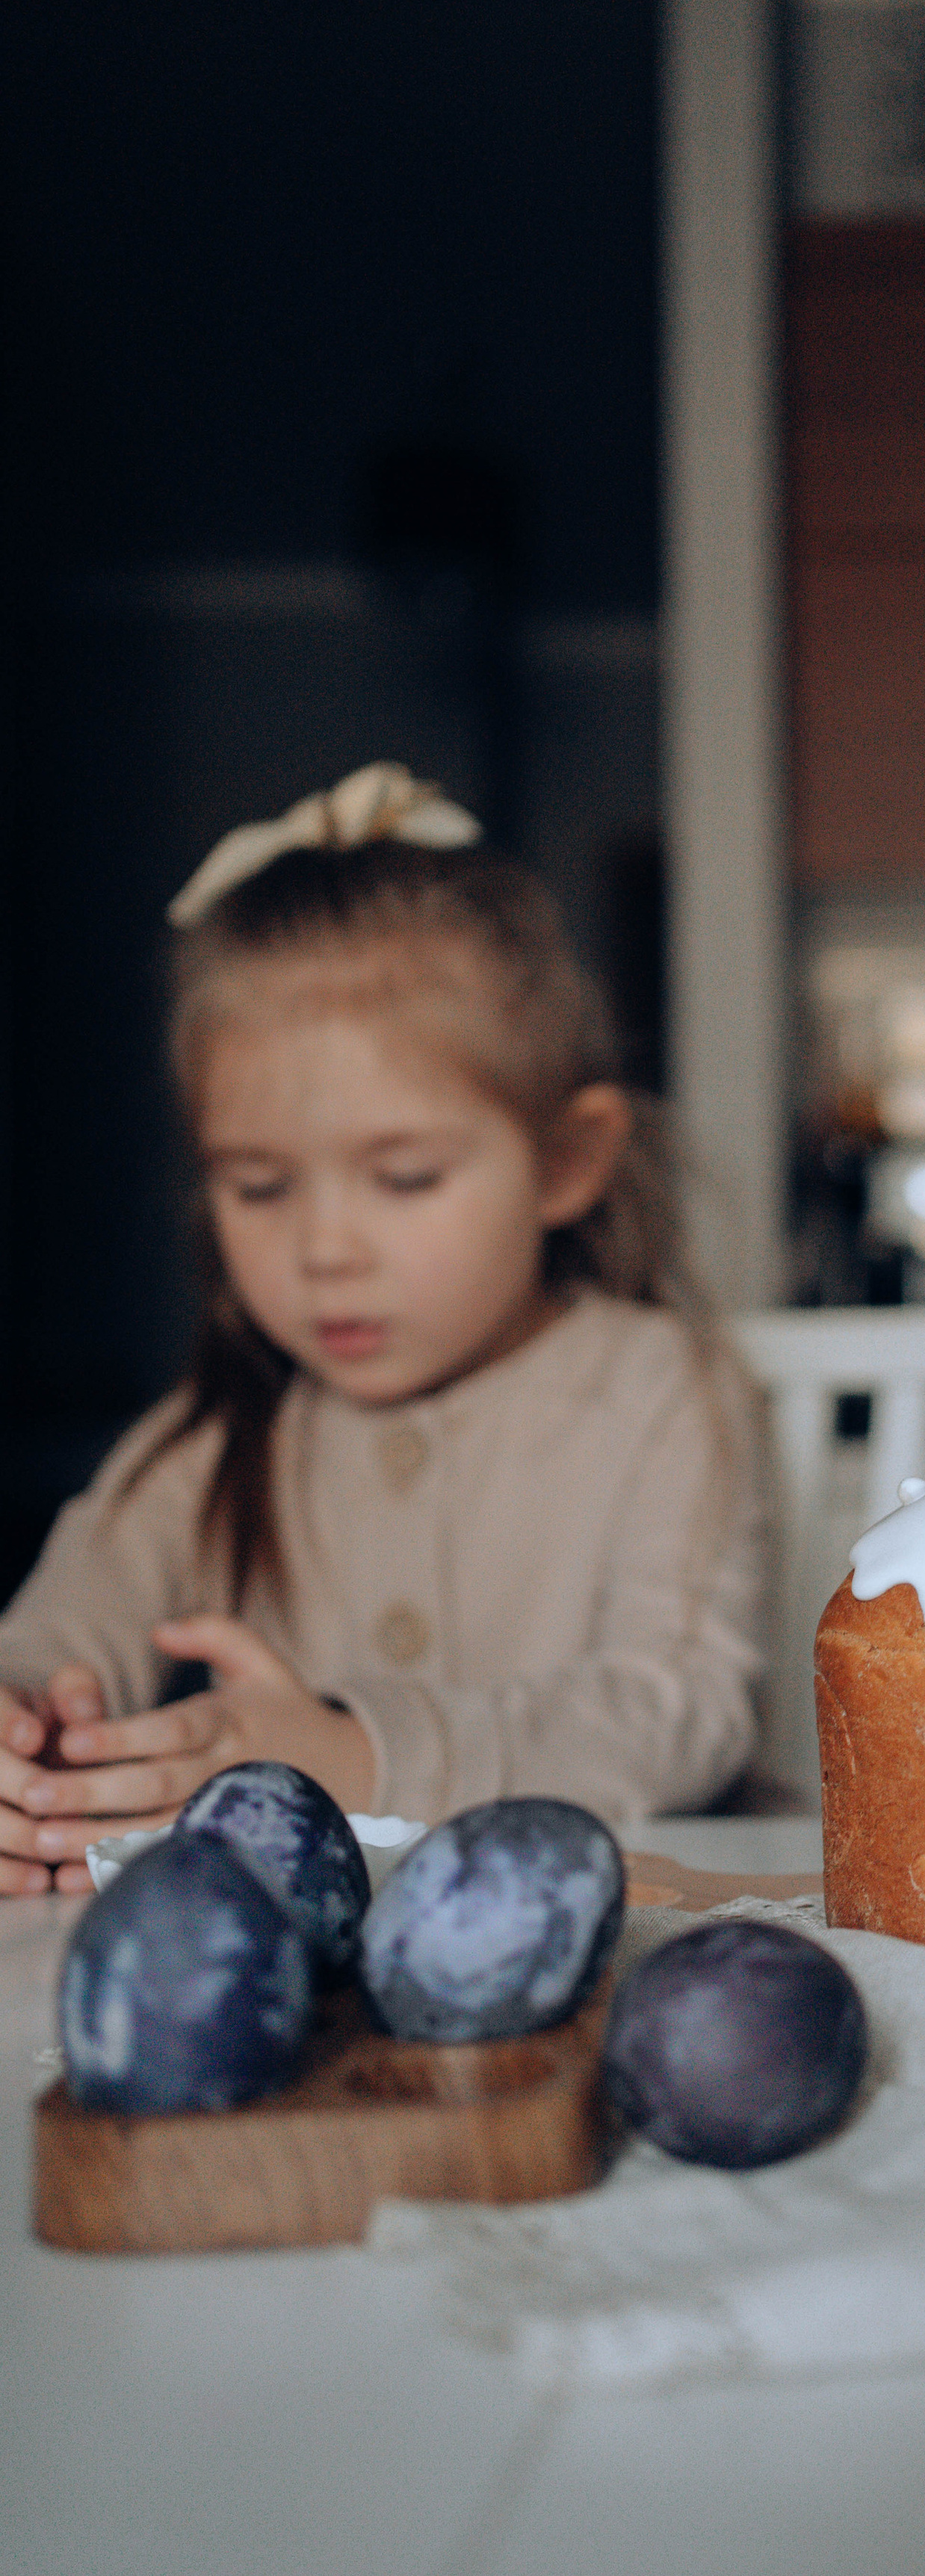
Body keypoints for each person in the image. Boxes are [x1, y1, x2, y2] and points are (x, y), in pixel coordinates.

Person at [0, 764, 761, 1895]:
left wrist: (355, 1754)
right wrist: (27, 1728)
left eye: (402, 1179)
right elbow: (63, 1628)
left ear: (566, 1162)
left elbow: (685, 1714)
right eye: (260, 1188)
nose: (325, 1250)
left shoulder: (660, 1390)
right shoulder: (215, 1435)